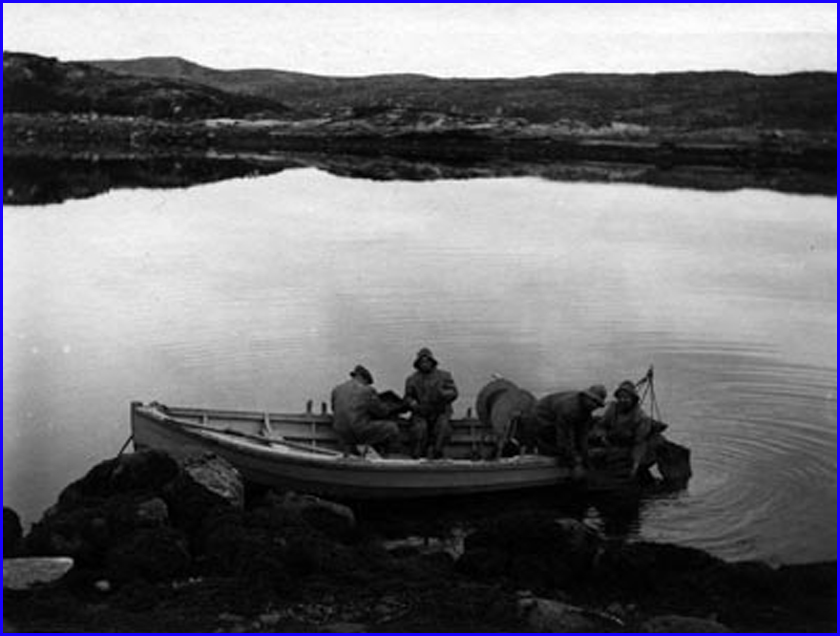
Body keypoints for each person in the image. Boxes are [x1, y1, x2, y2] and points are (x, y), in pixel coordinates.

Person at [532, 384, 607, 478]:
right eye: (594, 401)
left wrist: (585, 457)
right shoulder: (569, 409)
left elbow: (583, 435)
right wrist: (575, 463)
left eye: (598, 404)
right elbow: (564, 437)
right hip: (542, 417)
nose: (595, 406)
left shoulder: (586, 411)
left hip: (558, 415)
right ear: (586, 397)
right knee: (557, 446)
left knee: (577, 445)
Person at [330, 365, 400, 457]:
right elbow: (381, 412)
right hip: (358, 432)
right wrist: (394, 407)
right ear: (363, 378)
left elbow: (333, 408)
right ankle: (391, 457)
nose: (367, 384)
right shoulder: (368, 390)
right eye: (367, 382)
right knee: (392, 428)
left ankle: (353, 452)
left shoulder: (336, 389)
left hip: (341, 433)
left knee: (356, 427)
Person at [592, 380, 656, 477]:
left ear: (633, 399)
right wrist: (601, 435)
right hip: (609, 442)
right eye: (620, 397)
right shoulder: (613, 409)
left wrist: (636, 463)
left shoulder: (640, 418)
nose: (622, 400)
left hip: (627, 449)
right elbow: (601, 425)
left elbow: (640, 443)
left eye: (626, 398)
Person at [404, 347, 459, 459]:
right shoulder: (412, 379)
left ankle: (437, 453)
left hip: (440, 411)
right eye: (422, 362)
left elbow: (454, 392)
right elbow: (407, 397)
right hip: (421, 412)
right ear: (418, 364)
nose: (425, 363)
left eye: (427, 361)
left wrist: (443, 394)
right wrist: (413, 403)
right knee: (419, 429)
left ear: (432, 362)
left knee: (443, 427)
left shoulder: (444, 376)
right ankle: (418, 455)